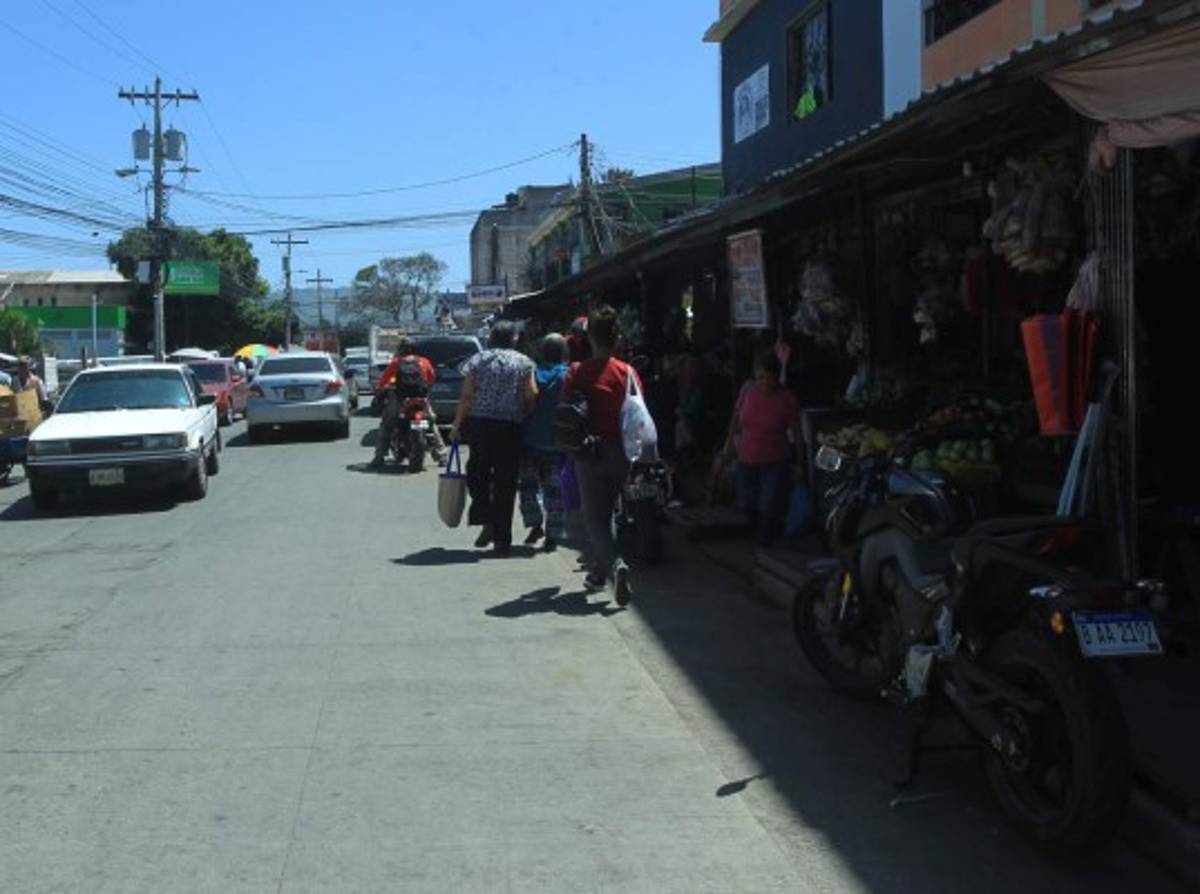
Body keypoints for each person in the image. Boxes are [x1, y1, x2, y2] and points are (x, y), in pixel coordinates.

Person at [561, 305, 638, 606]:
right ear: (617, 336)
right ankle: (598, 570)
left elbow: (565, 412)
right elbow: (639, 412)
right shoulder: (627, 372)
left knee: (595, 518)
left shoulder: (577, 372)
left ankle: (616, 565)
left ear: (589, 337)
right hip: (624, 451)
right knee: (611, 514)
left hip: (589, 452)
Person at [450, 322, 537, 556]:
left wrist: (457, 425)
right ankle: (502, 541)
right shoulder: (524, 362)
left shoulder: (477, 361)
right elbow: (532, 393)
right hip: (510, 428)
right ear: (513, 339)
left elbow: (467, 396)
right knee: (505, 484)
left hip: (480, 425)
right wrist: (525, 410)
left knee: (477, 473)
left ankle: (485, 513)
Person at [722, 349, 801, 546]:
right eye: (760, 378)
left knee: (768, 504)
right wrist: (728, 444)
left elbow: (797, 432)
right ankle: (760, 535)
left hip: (774, 458)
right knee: (747, 503)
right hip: (747, 456)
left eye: (768, 378)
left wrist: (800, 461)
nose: (764, 383)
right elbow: (736, 419)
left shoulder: (786, 398)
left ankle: (766, 543)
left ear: (776, 376)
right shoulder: (748, 390)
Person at [519, 333, 569, 553]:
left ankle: (535, 525)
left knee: (528, 488)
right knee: (554, 492)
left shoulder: (533, 373)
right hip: (557, 444)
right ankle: (553, 535)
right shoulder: (568, 375)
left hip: (530, 440)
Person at [368, 339, 436, 470]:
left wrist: (382, 391)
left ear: (401, 350)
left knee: (386, 425)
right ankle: (441, 454)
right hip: (420, 399)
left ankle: (379, 457)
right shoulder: (424, 362)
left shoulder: (396, 363)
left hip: (400, 399)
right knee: (431, 424)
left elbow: (383, 383)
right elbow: (431, 379)